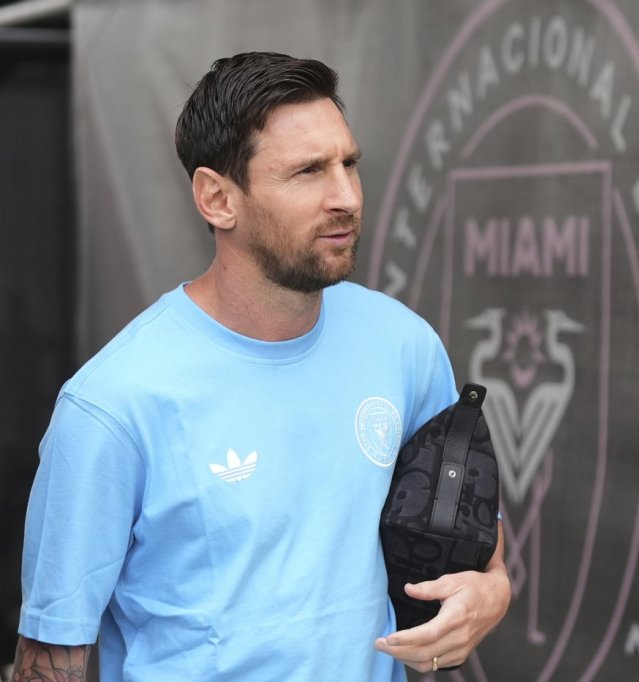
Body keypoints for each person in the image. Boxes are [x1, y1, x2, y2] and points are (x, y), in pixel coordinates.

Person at [13, 51, 510, 681]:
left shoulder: (404, 345)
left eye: (349, 164)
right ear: (217, 198)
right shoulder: (112, 403)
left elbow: (477, 539)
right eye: (308, 172)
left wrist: (493, 592)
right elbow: (51, 654)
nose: (346, 197)